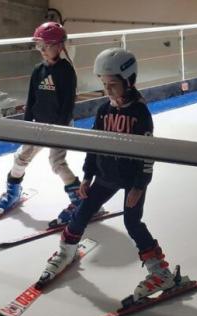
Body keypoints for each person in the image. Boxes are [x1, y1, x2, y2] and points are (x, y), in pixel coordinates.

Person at [38, 48, 176, 301]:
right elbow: (94, 144)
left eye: (113, 84)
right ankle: (66, 252)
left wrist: (139, 186)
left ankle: (161, 271)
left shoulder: (140, 114)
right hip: (105, 176)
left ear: (129, 81)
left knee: (133, 223)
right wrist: (88, 176)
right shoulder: (103, 110)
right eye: (104, 84)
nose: (108, 90)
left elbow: (148, 154)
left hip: (132, 179)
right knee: (81, 213)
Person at [0, 22, 80, 228]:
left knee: (57, 164)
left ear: (58, 46)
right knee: (21, 157)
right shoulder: (37, 70)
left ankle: (79, 199)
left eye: (44, 45)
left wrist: (59, 129)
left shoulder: (66, 72)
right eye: (38, 46)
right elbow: (31, 100)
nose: (40, 50)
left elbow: (68, 105)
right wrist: (26, 126)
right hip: (38, 125)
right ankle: (13, 192)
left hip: (59, 126)